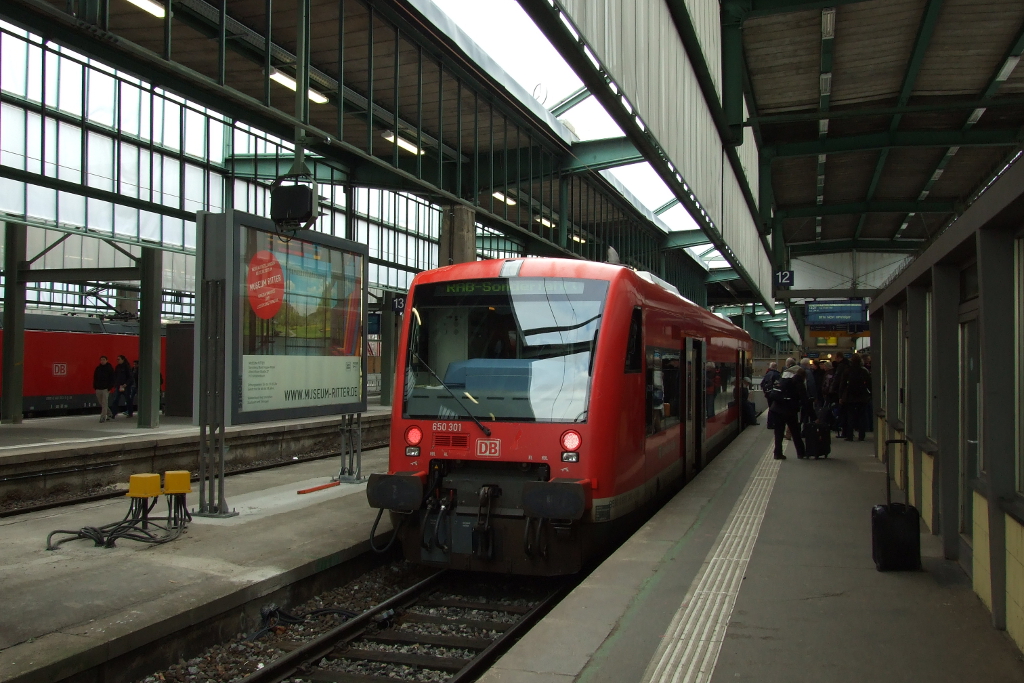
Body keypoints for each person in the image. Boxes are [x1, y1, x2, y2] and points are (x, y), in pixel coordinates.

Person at [769, 365, 812, 459]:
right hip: (789, 411)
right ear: (803, 376)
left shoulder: (783, 380)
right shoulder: (798, 382)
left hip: (776, 409)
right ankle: (801, 453)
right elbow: (805, 400)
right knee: (795, 432)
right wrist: (814, 417)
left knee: (778, 433)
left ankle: (777, 453)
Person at [839, 353, 871, 441]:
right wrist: (869, 395)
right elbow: (869, 384)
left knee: (850, 417)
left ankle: (849, 435)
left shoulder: (847, 371)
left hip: (850, 397)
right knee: (862, 417)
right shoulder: (864, 371)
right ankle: (861, 435)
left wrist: (841, 396)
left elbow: (842, 384)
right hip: (862, 397)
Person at [93, 355, 115, 423]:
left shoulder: (109, 368)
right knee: (101, 403)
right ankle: (109, 413)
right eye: (101, 360)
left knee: (104, 402)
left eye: (103, 360)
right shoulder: (98, 368)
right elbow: (95, 377)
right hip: (98, 388)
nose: (102, 361)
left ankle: (103, 417)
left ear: (106, 360)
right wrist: (95, 386)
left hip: (105, 388)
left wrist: (109, 387)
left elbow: (112, 378)